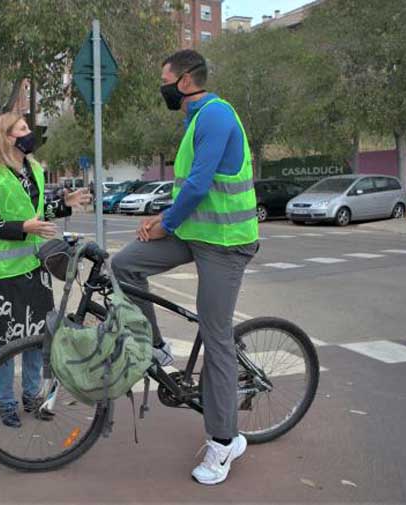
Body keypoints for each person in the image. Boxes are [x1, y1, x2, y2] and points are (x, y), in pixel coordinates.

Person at [110, 50, 259, 485]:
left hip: (227, 244)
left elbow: (198, 185)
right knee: (124, 266)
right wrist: (160, 222)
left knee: (216, 338)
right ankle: (156, 346)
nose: (164, 88)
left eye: (166, 80)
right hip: (196, 234)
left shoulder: (214, 116)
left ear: (187, 80)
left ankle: (224, 442)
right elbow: (188, 189)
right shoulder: (194, 118)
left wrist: (164, 225)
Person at [0, 112, 90, 428]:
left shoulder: (35, 170)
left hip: (35, 268)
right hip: (3, 274)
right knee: (6, 345)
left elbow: (39, 212)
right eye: (23, 128)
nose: (30, 133)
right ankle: (6, 403)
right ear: (6, 136)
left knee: (39, 338)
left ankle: (30, 395)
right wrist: (23, 227)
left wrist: (66, 203)